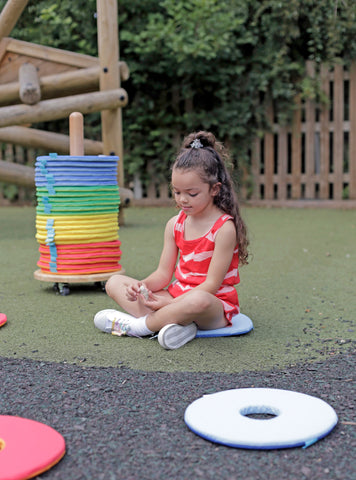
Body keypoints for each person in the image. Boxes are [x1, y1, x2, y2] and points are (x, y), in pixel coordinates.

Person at [94, 131, 249, 349]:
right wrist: (142, 286)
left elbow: (211, 286)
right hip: (175, 298)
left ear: (214, 189)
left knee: (197, 301)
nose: (182, 199)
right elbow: (163, 274)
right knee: (114, 282)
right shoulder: (175, 224)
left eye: (192, 194)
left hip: (212, 307)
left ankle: (140, 327)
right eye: (176, 192)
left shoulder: (224, 228)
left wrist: (171, 303)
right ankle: (177, 325)